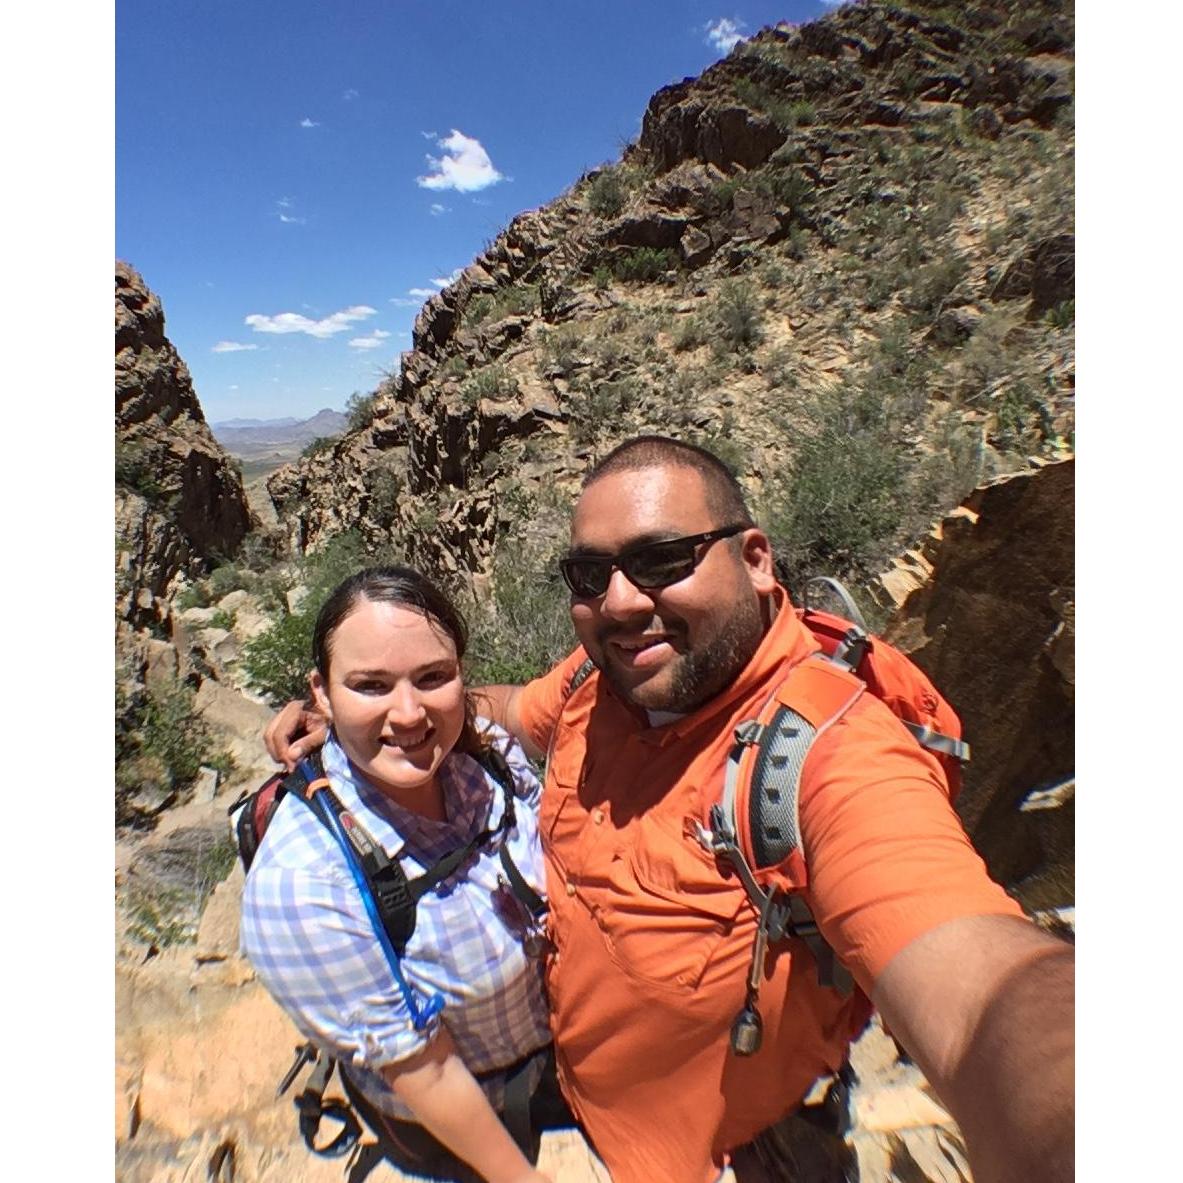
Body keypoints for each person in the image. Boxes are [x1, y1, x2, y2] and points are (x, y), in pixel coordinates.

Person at [268, 437, 1074, 1183]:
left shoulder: (832, 757)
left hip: (739, 1143)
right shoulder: (604, 680)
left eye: (661, 559)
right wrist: (387, 714)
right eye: (590, 576)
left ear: (754, 558)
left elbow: (978, 992)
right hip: (590, 1109)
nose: (620, 602)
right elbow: (509, 707)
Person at [241, 565, 563, 1183]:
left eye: (433, 677)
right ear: (322, 693)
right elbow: (425, 1069)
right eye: (370, 685)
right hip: (452, 1125)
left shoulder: (483, 752)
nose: (410, 713)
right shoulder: (305, 881)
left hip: (554, 1062)